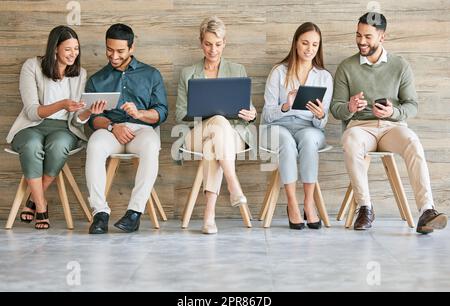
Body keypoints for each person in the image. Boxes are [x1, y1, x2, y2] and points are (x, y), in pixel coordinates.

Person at [330, 12, 447, 234]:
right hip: (360, 128)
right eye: (358, 35)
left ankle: (427, 210)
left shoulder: (400, 66)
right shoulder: (346, 67)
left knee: (412, 141)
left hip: (392, 127)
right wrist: (350, 107)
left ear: (382, 37)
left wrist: (393, 111)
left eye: (367, 37)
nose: (361, 41)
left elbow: (412, 105)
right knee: (350, 140)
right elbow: (336, 109)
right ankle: (365, 207)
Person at [6, 26, 101, 229]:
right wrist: (61, 104)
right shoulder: (32, 66)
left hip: (63, 128)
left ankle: (33, 198)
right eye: (68, 49)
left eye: (76, 49)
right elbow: (32, 112)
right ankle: (41, 206)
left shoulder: (80, 74)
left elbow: (76, 120)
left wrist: (88, 112)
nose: (73, 54)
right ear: (55, 48)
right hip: (32, 125)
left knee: (58, 146)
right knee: (31, 146)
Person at [175, 16, 257, 234]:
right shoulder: (188, 73)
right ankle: (232, 184)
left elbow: (248, 109)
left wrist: (252, 113)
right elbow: (180, 113)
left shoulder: (237, 69)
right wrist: (208, 113)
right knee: (217, 123)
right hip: (197, 133)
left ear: (225, 43)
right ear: (201, 42)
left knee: (216, 140)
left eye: (218, 44)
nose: (213, 50)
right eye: (208, 44)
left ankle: (209, 216)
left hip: (231, 137)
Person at [86, 23, 168, 234]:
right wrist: (112, 126)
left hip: (141, 131)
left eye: (120, 51)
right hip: (110, 130)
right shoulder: (96, 80)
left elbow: (162, 112)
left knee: (151, 144)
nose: (113, 56)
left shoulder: (151, 74)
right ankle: (100, 214)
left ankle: (134, 213)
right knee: (94, 145)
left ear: (131, 48)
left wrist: (140, 114)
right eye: (109, 49)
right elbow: (93, 120)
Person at [261, 22, 333, 230]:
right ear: (295, 43)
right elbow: (267, 114)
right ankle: (292, 203)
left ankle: (308, 203)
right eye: (305, 43)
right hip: (277, 126)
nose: (309, 49)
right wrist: (286, 106)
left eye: (314, 45)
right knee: (285, 142)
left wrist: (320, 115)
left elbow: (321, 122)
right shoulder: (279, 72)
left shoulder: (324, 77)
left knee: (310, 140)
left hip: (308, 127)